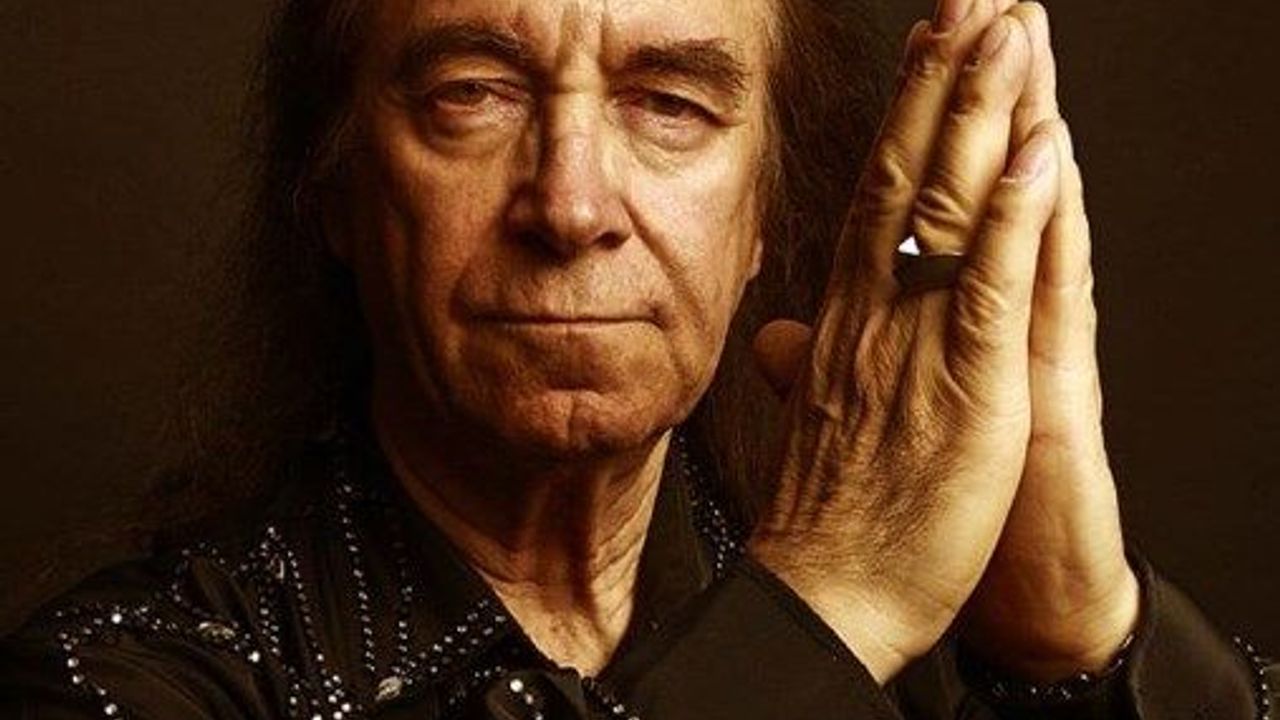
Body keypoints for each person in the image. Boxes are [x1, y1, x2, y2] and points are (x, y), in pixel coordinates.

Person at [1, 0, 1275, 717]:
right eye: (470, 94)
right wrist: (826, 605)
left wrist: (1079, 635)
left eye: (670, 105)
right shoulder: (128, 676)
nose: (569, 206)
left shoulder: (949, 661)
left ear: (761, 213)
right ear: (334, 189)